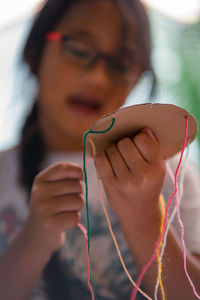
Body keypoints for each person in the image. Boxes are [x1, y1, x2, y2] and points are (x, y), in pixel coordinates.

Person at [0, 0, 200, 299]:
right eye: (79, 50)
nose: (98, 78)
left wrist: (144, 218)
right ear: (34, 52)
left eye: (120, 64)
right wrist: (33, 241)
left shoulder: (169, 173)